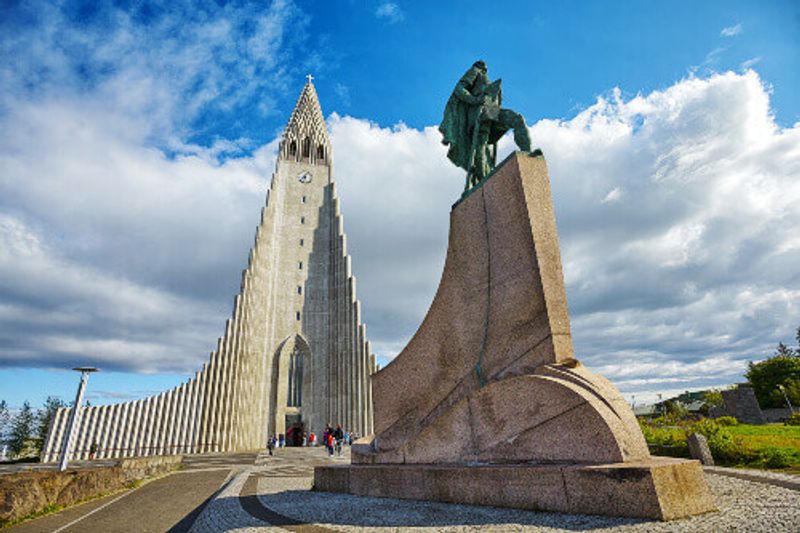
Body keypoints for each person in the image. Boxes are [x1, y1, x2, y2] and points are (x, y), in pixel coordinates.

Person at [439, 60, 536, 190]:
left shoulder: (485, 78)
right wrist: (475, 100)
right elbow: (459, 89)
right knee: (481, 146)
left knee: (517, 119)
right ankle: (485, 180)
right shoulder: (475, 71)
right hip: (480, 113)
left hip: (492, 111)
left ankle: (528, 154)